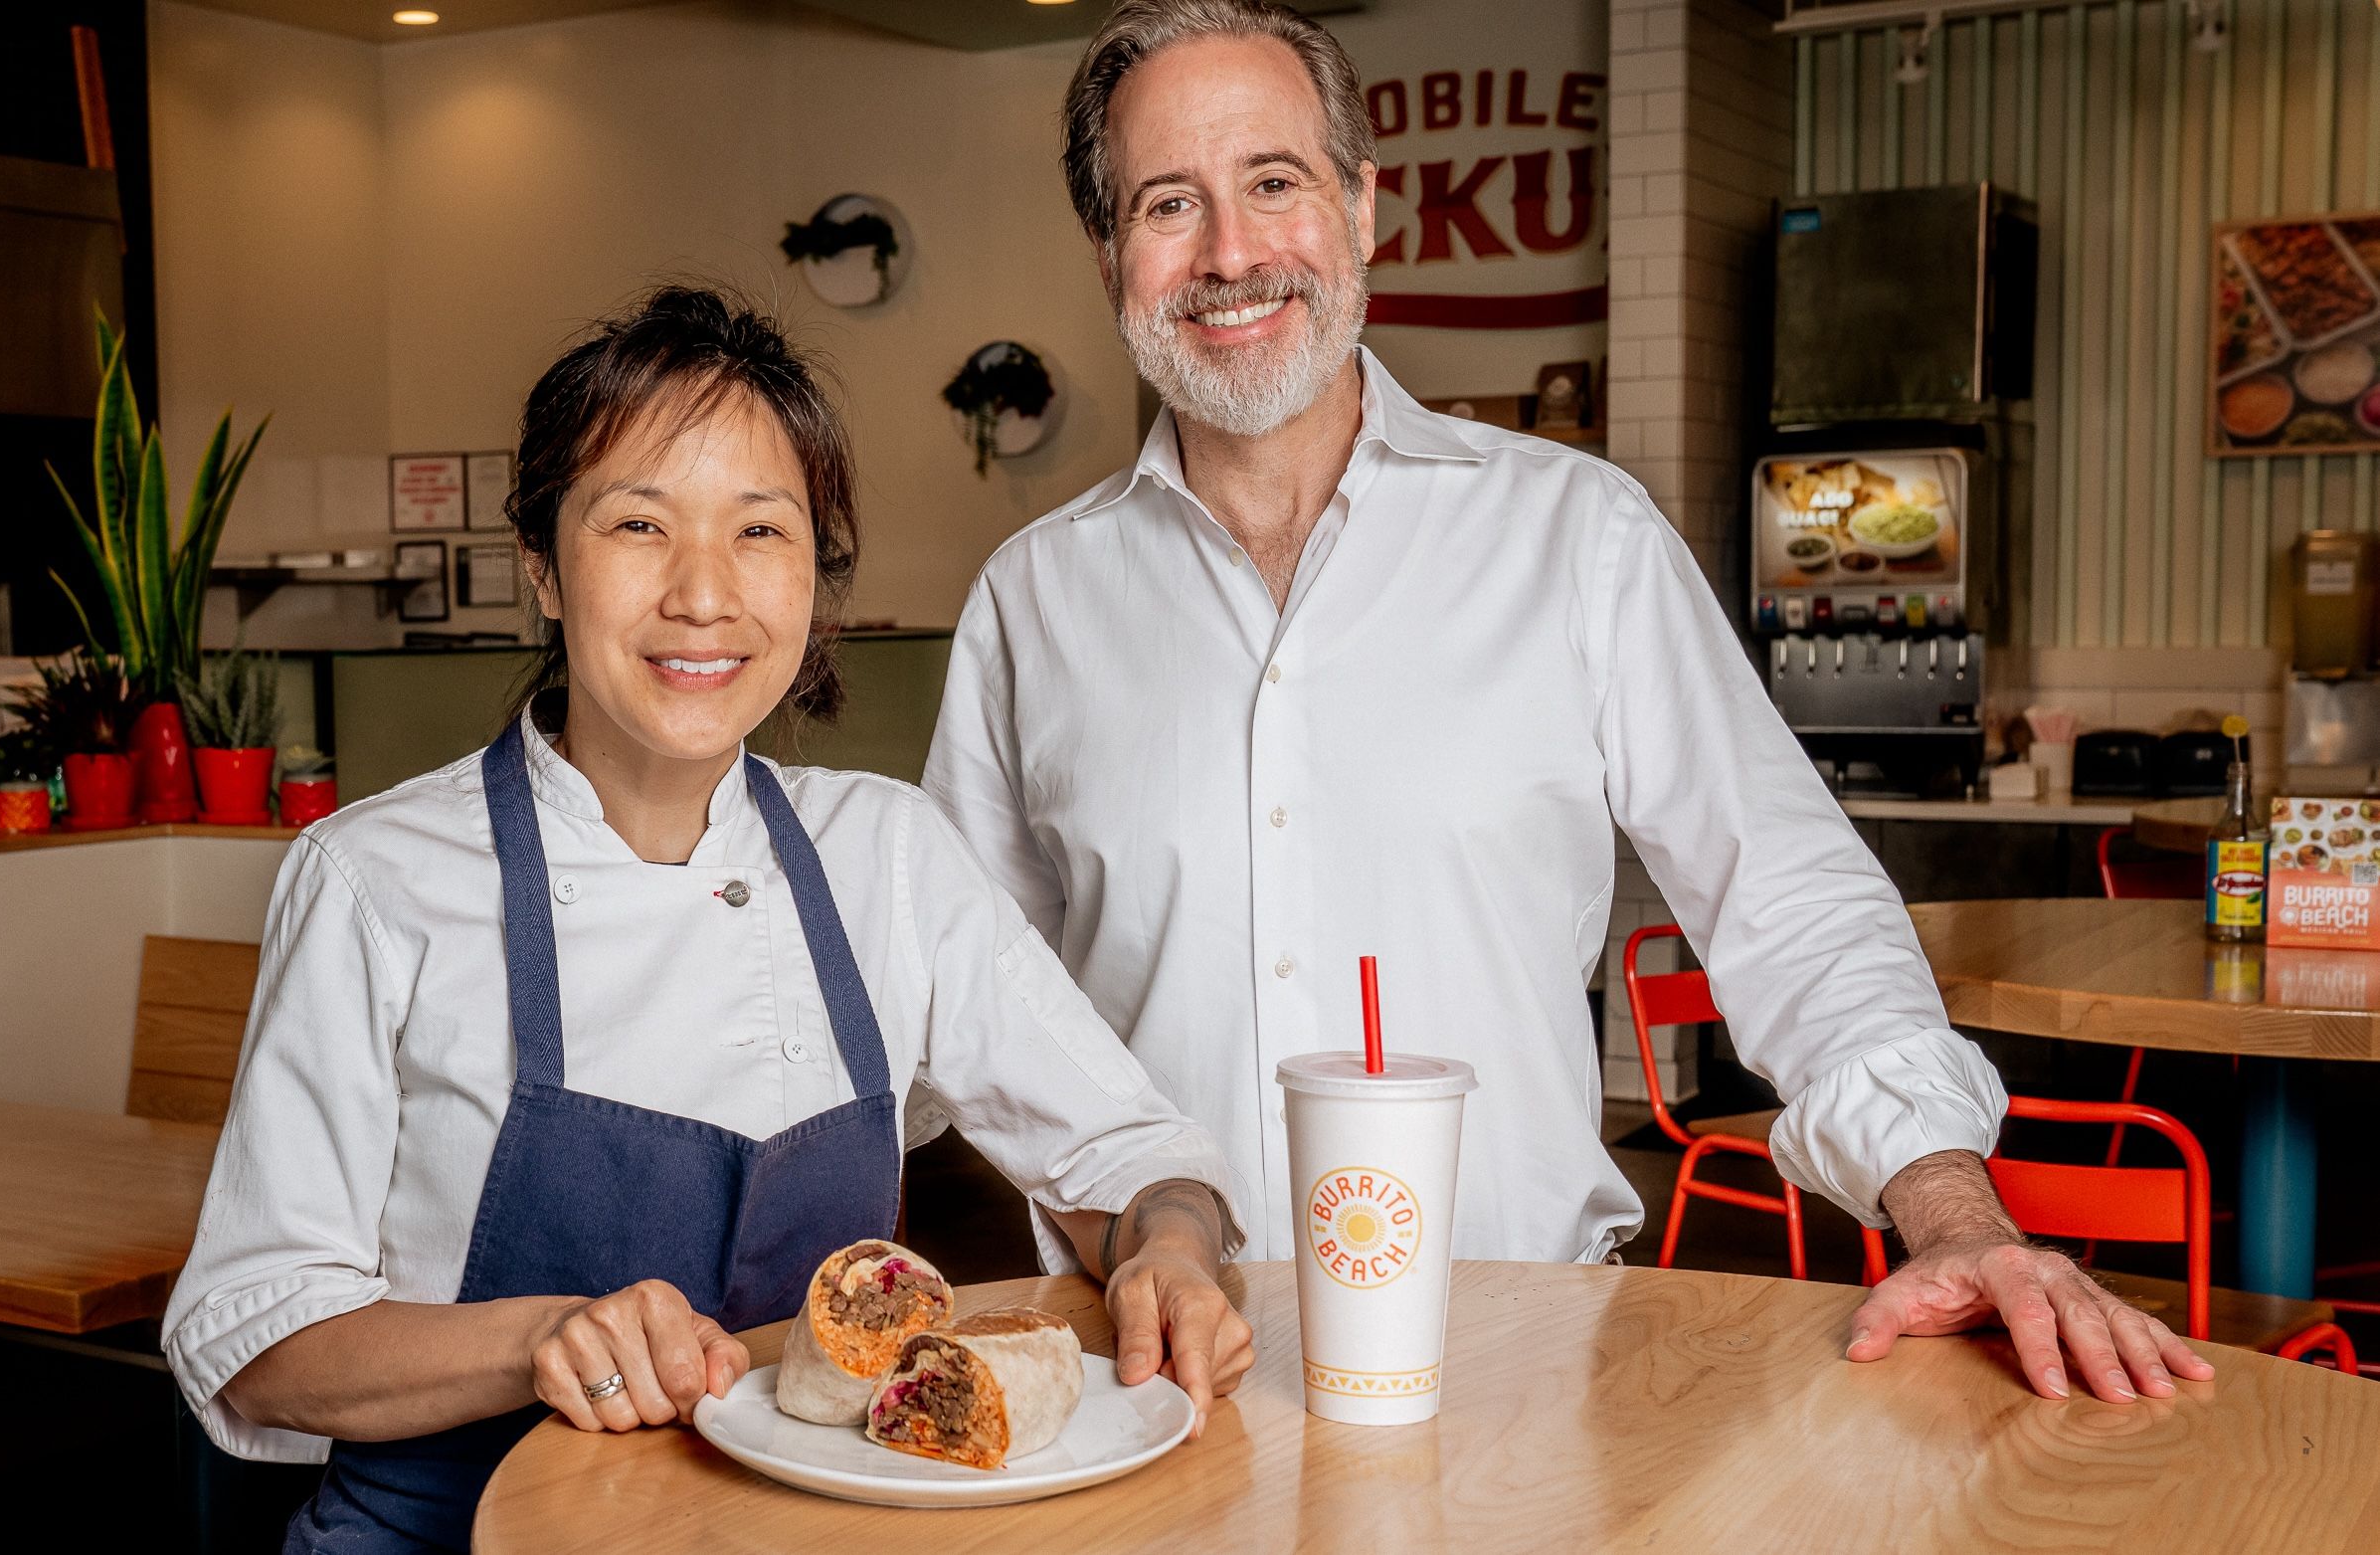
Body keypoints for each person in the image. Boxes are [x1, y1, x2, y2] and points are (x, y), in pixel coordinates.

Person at [922, 0, 2213, 1406]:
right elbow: (954, 998)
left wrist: (1957, 1221)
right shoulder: (1031, 601)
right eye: (1169, 203)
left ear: (1363, 207)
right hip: (1147, 1377)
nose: (1229, 254)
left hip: (1514, 1358)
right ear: (1110, 254)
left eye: (1273, 183)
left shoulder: (1576, 537)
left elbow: (1784, 895)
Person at [162, 288, 1251, 1554]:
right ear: (541, 566)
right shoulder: (374, 879)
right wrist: (536, 1337)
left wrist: (1167, 1249)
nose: (702, 594)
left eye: (759, 532)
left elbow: (1132, 1156)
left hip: (803, 1534)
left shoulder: (882, 851)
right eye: (637, 523)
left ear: (811, 571)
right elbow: (253, 1338)